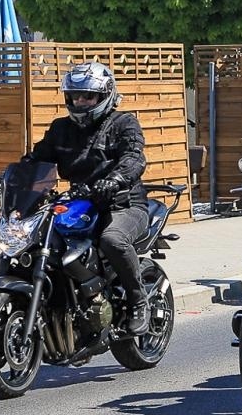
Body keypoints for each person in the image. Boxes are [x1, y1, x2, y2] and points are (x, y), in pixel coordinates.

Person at [25, 62, 153, 335]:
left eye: (88, 96)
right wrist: (11, 180)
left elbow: (134, 157)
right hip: (80, 201)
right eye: (74, 96)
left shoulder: (123, 123)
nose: (80, 101)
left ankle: (137, 301)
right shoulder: (61, 128)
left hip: (124, 203)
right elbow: (38, 159)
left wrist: (116, 180)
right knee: (36, 242)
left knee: (112, 240)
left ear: (104, 96)